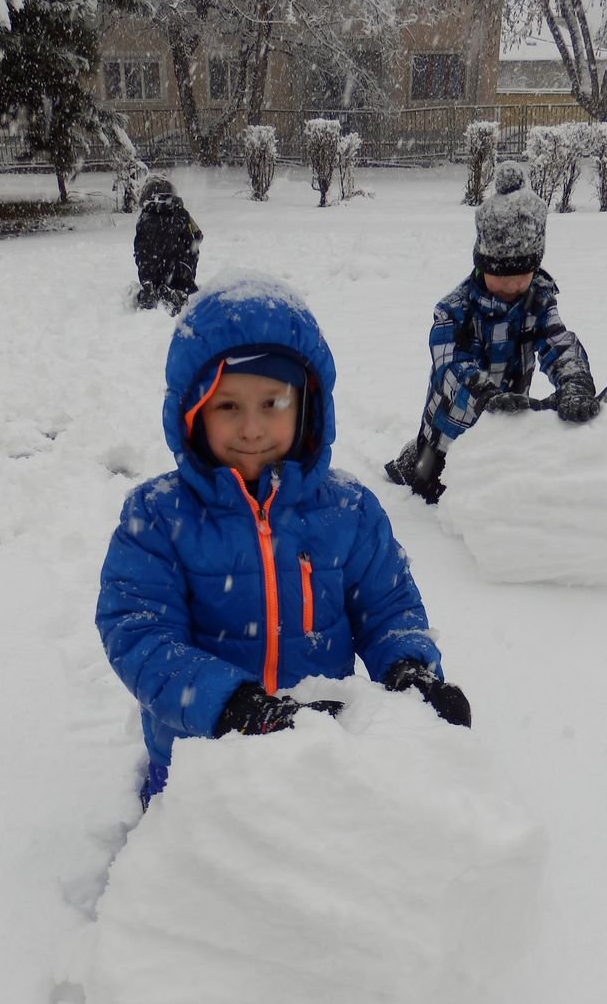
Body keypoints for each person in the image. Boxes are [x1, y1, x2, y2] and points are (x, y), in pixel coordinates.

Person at [96, 273, 472, 810]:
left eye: (272, 403)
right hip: (201, 758)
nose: (251, 427)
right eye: (228, 406)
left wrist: (407, 669)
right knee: (193, 883)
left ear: (307, 407)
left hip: (317, 749)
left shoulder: (349, 511)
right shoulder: (157, 518)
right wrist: (231, 706)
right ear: (191, 412)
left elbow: (389, 609)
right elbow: (139, 634)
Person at [385, 161, 600, 505]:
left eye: (524, 272)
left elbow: (559, 344)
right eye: (502, 272)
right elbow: (450, 364)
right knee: (430, 492)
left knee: (489, 494)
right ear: (482, 263)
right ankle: (411, 463)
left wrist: (574, 382)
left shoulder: (537, 303)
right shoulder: (454, 309)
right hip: (449, 431)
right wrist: (484, 393)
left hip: (505, 431)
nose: (514, 284)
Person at [133, 174, 203, 316]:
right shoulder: (182, 214)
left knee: (145, 257)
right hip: (179, 271)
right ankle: (179, 292)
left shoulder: (145, 217)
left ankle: (151, 288)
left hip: (150, 269)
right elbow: (197, 237)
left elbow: (139, 246)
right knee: (188, 256)